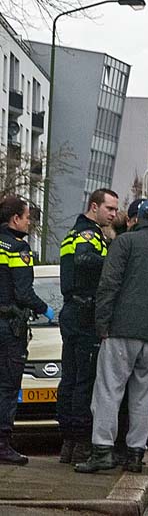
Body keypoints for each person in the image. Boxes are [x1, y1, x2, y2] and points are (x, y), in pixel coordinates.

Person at [75, 200, 148, 474]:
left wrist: (103, 324)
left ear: (136, 219)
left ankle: (102, 452)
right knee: (144, 397)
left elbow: (108, 284)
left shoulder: (124, 243)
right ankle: (136, 455)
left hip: (122, 330)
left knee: (109, 391)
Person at [57, 188, 119, 465]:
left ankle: (68, 442)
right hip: (84, 314)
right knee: (84, 381)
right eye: (110, 209)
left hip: (72, 310)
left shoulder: (73, 232)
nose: (114, 214)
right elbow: (84, 260)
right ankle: (81, 442)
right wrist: (114, 263)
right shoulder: (89, 234)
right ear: (95, 207)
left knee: (69, 379)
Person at [0, 196, 55, 465]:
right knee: (8, 386)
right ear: (15, 220)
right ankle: (2, 445)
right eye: (27, 217)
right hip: (10, 327)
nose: (29, 222)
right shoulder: (17, 248)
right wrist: (45, 308)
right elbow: (23, 293)